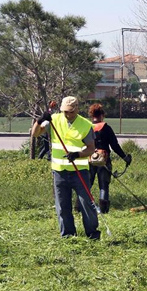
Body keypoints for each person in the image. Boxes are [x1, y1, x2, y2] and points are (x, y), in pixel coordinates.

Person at [31, 96, 100, 239]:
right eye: (65, 112)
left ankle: (92, 234)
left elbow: (91, 149)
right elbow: (35, 133)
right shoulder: (54, 120)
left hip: (79, 171)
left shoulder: (85, 125)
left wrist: (77, 154)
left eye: (70, 112)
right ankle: (68, 236)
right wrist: (39, 121)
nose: (67, 115)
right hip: (59, 172)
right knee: (62, 206)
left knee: (86, 204)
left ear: (77, 110)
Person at [83, 103, 132, 214]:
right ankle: (103, 210)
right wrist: (125, 158)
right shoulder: (106, 128)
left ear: (91, 115)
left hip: (90, 159)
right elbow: (114, 146)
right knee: (103, 186)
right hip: (104, 160)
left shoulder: (87, 127)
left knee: (86, 185)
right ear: (102, 114)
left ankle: (81, 207)